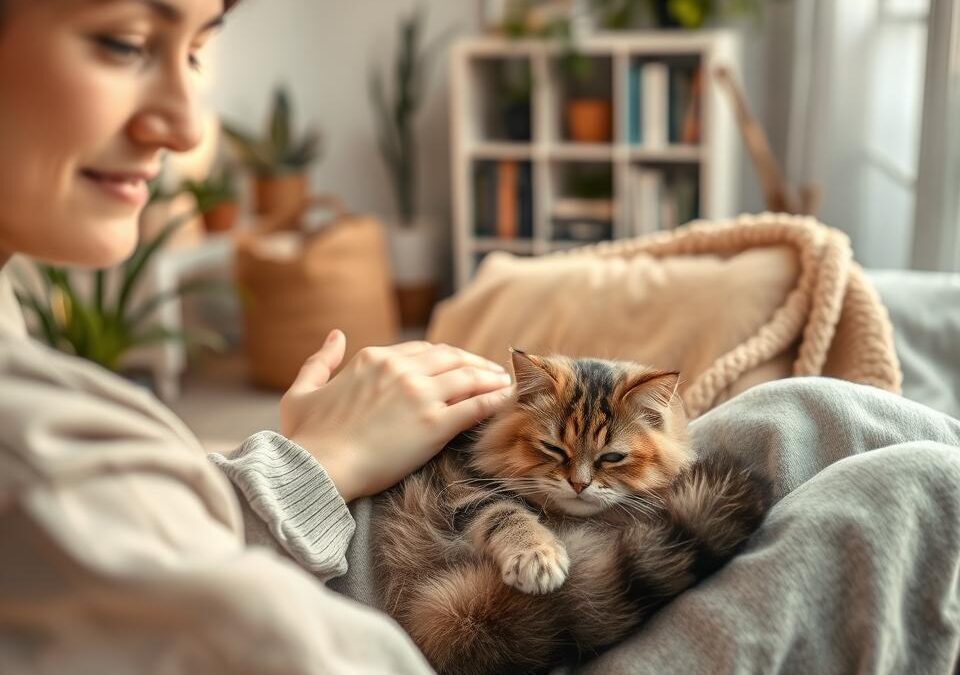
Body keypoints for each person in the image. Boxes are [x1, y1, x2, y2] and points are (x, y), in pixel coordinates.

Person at [1, 2, 959, 675]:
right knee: (911, 492)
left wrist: (301, 459)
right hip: (450, 617)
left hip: (360, 521)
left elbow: (175, 531)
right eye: (124, 41)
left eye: (202, 47)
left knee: (817, 410)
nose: (185, 121)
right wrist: (306, 467)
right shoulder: (33, 459)